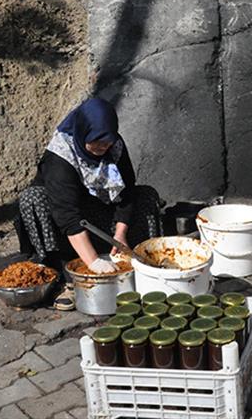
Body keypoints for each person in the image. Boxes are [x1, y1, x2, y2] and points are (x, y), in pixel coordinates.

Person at [15, 98, 162, 310]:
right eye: (97, 141)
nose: (103, 147)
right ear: (84, 131)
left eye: (107, 141)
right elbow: (67, 215)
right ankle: (66, 278)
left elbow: (127, 191)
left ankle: (139, 266)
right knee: (33, 199)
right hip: (64, 225)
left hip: (99, 213)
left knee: (146, 195)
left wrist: (120, 235)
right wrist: (94, 263)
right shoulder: (60, 156)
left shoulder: (115, 146)